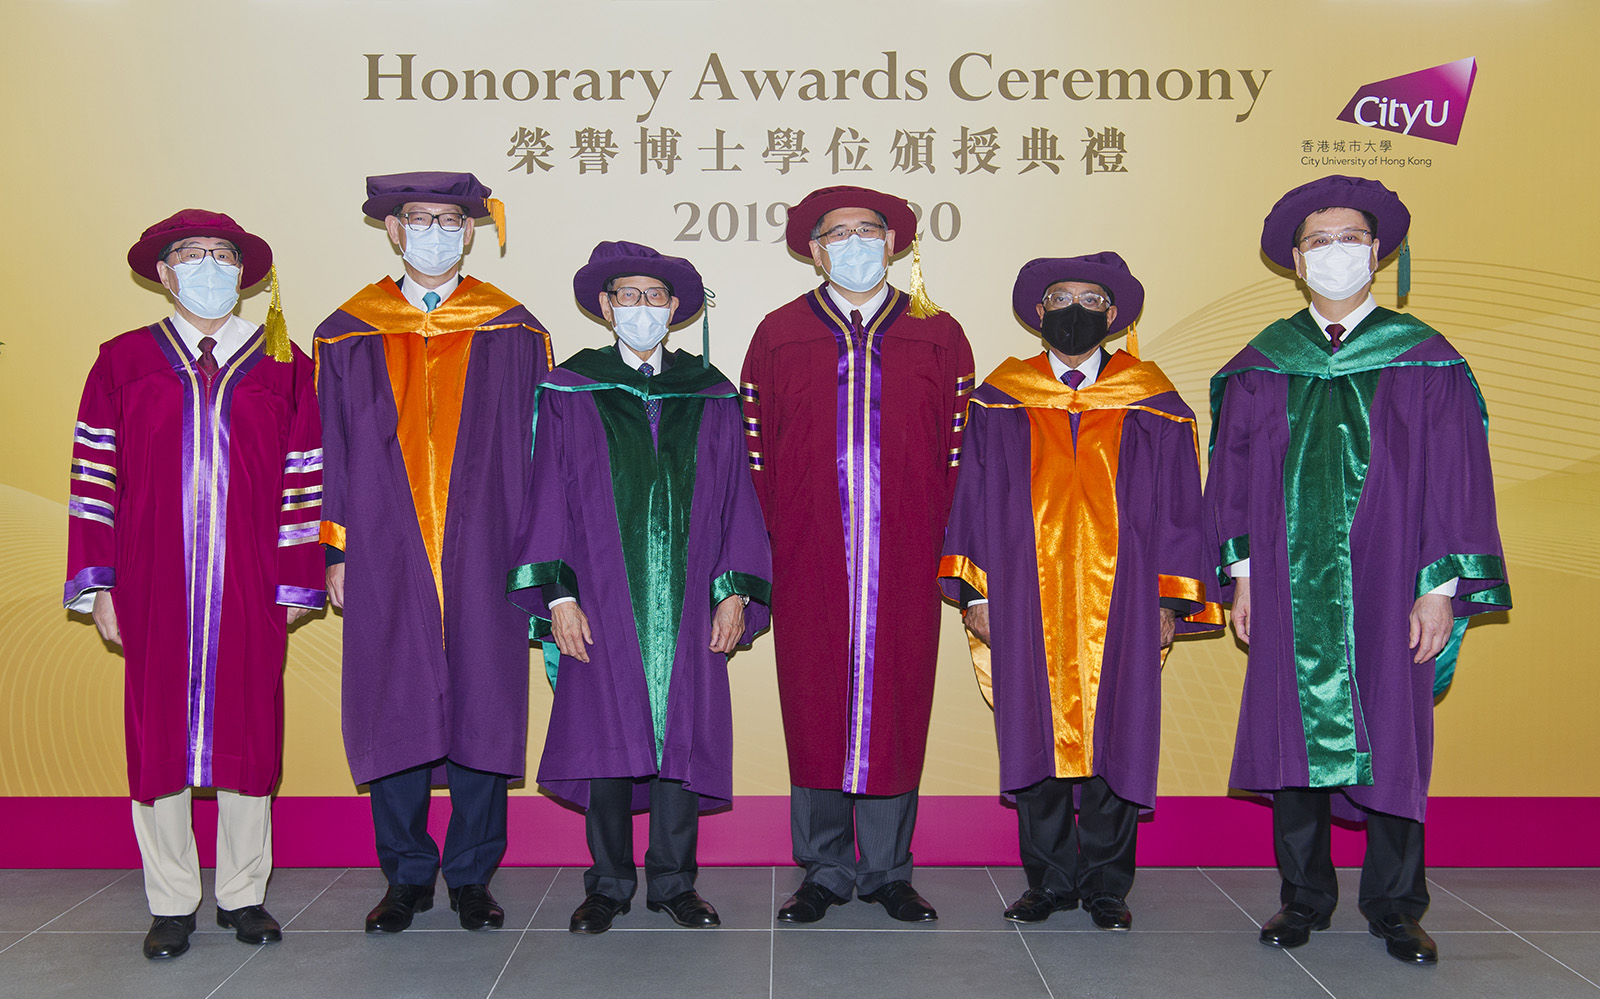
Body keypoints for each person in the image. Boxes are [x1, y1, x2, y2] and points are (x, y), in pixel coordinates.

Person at [1205, 175, 1510, 965]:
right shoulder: (1260, 367)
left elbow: (1457, 479)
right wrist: (1240, 576)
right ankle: (1302, 897)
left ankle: (1396, 905)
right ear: (1296, 262)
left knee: (1397, 737)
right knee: (1290, 736)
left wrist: (1439, 589)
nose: (1334, 251)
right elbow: (1231, 479)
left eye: (1350, 238)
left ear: (1376, 253)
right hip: (1284, 585)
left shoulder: (1425, 361)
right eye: (1318, 241)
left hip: (1393, 587)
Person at [65, 209, 323, 959]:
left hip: (249, 579)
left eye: (221, 253)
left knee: (251, 728)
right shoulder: (122, 361)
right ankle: (171, 897)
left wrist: (294, 579)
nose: (208, 264)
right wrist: (99, 583)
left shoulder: (285, 364)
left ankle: (243, 893)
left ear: (244, 273)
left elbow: (307, 481)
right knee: (156, 736)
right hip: (151, 581)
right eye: (191, 253)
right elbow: (92, 482)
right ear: (165, 271)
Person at [941, 252, 1224, 930]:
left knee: (1116, 737)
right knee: (1034, 737)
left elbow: (1184, 508)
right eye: (1061, 296)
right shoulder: (1000, 398)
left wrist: (1169, 599)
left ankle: (1104, 885)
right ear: (1039, 312)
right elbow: (972, 499)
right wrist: (974, 594)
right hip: (1021, 596)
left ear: (1112, 313)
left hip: (1122, 602)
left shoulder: (1152, 400)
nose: (1075, 308)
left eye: (1090, 298)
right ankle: (1046, 881)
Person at [507, 241, 773, 934]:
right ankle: (609, 882)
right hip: (599, 598)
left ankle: (675, 882)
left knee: (681, 739)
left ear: (676, 310)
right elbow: (546, 499)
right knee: (605, 740)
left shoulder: (710, 394)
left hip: (689, 602)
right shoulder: (570, 390)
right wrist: (558, 595)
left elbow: (735, 501)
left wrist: (734, 589)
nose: (643, 308)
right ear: (605, 306)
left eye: (656, 297)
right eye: (629, 295)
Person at [315, 171, 553, 933]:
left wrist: (534, 553)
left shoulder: (514, 330)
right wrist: (338, 549)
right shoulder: (347, 332)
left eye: (450, 219)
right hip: (385, 548)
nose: (434, 231)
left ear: (472, 230)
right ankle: (407, 873)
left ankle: (473, 874)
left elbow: (542, 452)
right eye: (418, 218)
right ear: (392, 229)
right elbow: (330, 450)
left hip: (487, 548)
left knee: (485, 701)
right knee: (395, 702)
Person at [740, 185, 974, 923]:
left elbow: (963, 459)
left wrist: (955, 559)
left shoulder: (939, 335)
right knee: (814, 703)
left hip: (905, 558)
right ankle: (823, 867)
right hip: (807, 556)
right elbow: (752, 458)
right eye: (836, 233)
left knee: (897, 703)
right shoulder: (779, 334)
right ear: (813, 249)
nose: (853, 243)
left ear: (895, 241)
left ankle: (888, 869)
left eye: (867, 230)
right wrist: (761, 557)